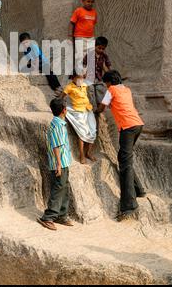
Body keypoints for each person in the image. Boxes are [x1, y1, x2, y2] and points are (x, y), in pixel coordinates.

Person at [96, 70, 146, 222]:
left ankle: (129, 205)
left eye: (106, 83)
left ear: (109, 82)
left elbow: (103, 106)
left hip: (127, 127)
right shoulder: (126, 89)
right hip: (137, 124)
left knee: (124, 164)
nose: (106, 86)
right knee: (126, 159)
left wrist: (94, 111)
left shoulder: (111, 90)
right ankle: (139, 190)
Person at [37, 98, 74, 231]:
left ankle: (62, 215)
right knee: (58, 189)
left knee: (64, 187)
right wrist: (59, 164)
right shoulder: (57, 125)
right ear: (64, 110)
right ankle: (48, 217)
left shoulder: (59, 123)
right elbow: (56, 146)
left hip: (63, 162)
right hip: (60, 163)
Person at [61, 72, 97, 164]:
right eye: (79, 78)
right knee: (81, 133)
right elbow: (61, 98)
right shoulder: (69, 87)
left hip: (88, 109)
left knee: (93, 131)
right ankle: (81, 155)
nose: (81, 80)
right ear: (73, 78)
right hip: (77, 111)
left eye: (82, 78)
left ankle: (88, 153)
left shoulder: (84, 84)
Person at [68, 0, 97, 76]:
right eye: (88, 1)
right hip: (80, 37)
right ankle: (79, 75)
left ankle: (88, 75)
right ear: (83, 1)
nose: (90, 3)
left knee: (90, 57)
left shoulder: (94, 12)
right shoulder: (78, 11)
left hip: (91, 38)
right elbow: (72, 23)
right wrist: (70, 35)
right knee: (80, 57)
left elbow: (92, 24)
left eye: (92, 2)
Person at [85, 36, 112, 105]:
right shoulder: (90, 54)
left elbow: (107, 68)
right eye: (99, 48)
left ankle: (99, 108)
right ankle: (92, 108)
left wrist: (108, 71)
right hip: (89, 78)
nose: (101, 50)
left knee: (100, 91)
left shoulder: (104, 56)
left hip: (99, 78)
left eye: (103, 49)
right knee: (90, 92)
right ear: (95, 46)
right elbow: (84, 64)